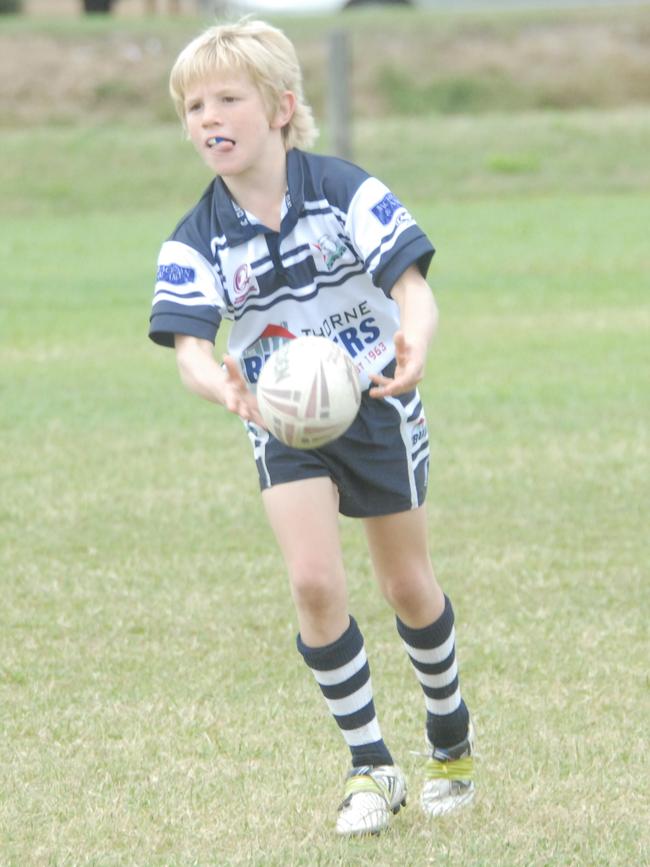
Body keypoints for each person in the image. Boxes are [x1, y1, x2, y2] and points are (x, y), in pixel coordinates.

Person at [148, 17, 475, 836]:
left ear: (282, 106)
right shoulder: (195, 239)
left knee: (407, 585)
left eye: (228, 99)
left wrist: (415, 342)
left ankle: (451, 735)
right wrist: (221, 385)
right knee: (314, 583)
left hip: (376, 399)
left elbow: (414, 288)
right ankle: (371, 765)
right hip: (280, 419)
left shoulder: (344, 189)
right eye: (193, 106)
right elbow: (189, 346)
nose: (209, 118)